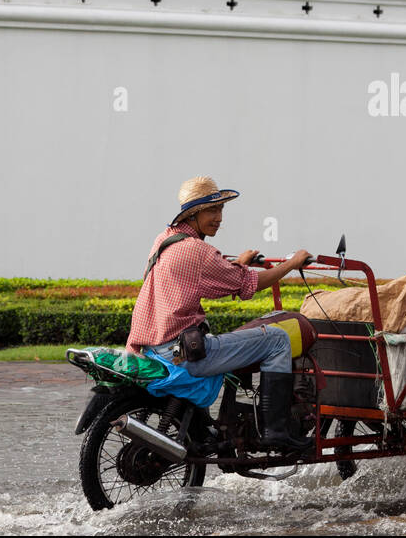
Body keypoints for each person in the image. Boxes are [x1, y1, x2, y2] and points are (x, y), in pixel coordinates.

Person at [126, 176, 313, 454]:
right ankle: (276, 431)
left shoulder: (165, 239)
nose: (219, 218)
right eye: (212, 211)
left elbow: (205, 272)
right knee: (276, 339)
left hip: (155, 346)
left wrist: (237, 264)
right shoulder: (198, 251)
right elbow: (250, 284)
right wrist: (291, 263)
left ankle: (224, 424)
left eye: (221, 210)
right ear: (194, 213)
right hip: (181, 351)